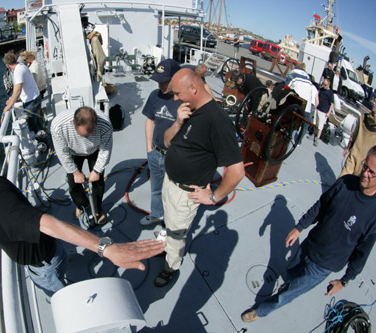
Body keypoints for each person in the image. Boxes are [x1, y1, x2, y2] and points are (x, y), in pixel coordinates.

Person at [0, 155, 165, 297]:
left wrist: (107, 249)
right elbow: (14, 215)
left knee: (62, 296)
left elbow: (49, 224)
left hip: (46, 266)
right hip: (51, 251)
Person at [241, 145, 376, 322]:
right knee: (290, 273)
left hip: (324, 266)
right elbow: (321, 206)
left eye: (371, 172)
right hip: (309, 245)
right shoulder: (345, 183)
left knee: (288, 294)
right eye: (365, 166)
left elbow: (362, 253)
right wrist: (299, 228)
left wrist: (344, 280)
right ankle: (287, 283)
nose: (365, 173)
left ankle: (261, 311)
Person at [154, 68, 245, 287]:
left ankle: (170, 267)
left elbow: (237, 171)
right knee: (169, 223)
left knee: (176, 234)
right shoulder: (190, 110)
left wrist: (214, 197)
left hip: (186, 194)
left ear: (193, 88)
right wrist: (177, 122)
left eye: (177, 93)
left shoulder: (217, 120)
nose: (175, 98)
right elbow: (166, 142)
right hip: (169, 183)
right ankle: (168, 250)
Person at [51, 106, 112, 227]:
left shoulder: (105, 125)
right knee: (73, 183)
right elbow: (62, 152)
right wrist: (75, 172)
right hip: (72, 151)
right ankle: (82, 205)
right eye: (83, 135)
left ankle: (97, 209)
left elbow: (105, 150)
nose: (86, 139)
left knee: (98, 182)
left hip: (96, 150)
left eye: (90, 134)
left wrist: (96, 170)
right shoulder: (58, 126)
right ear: (74, 123)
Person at [140, 59, 181, 226]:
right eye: (159, 81)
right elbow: (150, 120)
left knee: (174, 195)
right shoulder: (154, 96)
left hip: (175, 158)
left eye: (165, 81)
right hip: (156, 153)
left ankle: (170, 225)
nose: (161, 85)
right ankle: (156, 213)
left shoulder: (184, 100)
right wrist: (149, 148)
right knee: (156, 189)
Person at [3, 52, 43, 134]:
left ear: (7, 65)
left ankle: (43, 143)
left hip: (31, 101)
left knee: (32, 127)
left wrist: (9, 105)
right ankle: (45, 141)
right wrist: (11, 99)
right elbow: (16, 88)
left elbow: (18, 90)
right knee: (38, 124)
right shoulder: (21, 66)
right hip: (34, 97)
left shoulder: (18, 71)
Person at [340, 102, 376, 177]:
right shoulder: (363, 118)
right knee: (342, 181)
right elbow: (355, 135)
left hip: (366, 165)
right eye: (374, 100)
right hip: (354, 157)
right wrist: (348, 148)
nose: (373, 102)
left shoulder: (363, 118)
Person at [286, 61, 319, 142]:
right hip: (306, 108)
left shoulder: (292, 75)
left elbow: (286, 88)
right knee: (304, 125)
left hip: (293, 106)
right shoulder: (309, 81)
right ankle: (298, 141)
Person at [313, 78, 334, 146]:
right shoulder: (321, 90)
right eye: (323, 84)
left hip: (324, 111)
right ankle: (314, 134)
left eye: (325, 85)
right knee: (315, 123)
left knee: (320, 126)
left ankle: (317, 138)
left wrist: (328, 112)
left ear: (328, 85)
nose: (323, 86)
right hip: (318, 108)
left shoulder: (330, 93)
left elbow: (332, 104)